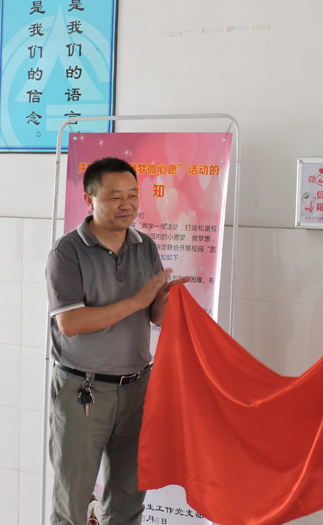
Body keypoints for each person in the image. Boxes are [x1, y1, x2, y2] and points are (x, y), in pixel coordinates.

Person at [46, 157, 190, 524]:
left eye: (132, 194)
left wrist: (162, 300)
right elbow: (71, 323)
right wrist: (138, 300)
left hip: (137, 389)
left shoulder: (145, 246)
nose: (126, 204)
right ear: (89, 200)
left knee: (128, 503)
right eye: (114, 197)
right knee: (72, 505)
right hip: (84, 392)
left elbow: (154, 318)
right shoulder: (67, 252)